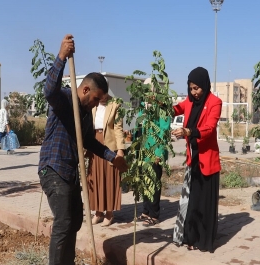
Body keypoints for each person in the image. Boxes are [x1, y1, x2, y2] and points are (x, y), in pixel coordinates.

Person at [38, 34, 128, 265]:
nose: (97, 104)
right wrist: (61, 57)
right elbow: (49, 91)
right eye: (97, 99)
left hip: (69, 173)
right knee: (64, 221)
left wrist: (112, 157)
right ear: (86, 89)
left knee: (76, 220)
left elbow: (89, 141)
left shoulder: (86, 114)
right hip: (53, 169)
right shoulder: (65, 99)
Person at [172, 67, 222, 252]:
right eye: (191, 88)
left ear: (205, 85)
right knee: (192, 201)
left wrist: (189, 131)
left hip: (207, 160)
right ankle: (190, 238)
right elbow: (175, 109)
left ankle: (204, 241)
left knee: (205, 203)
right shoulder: (189, 102)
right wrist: (160, 104)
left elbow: (209, 129)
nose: (194, 92)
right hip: (193, 159)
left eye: (197, 88)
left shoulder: (215, 102)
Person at [87, 93, 125, 227]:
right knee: (95, 178)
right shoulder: (92, 104)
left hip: (109, 146)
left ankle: (109, 213)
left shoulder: (115, 105)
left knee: (108, 179)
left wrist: (120, 149)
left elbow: (118, 129)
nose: (100, 96)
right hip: (93, 144)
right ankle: (98, 212)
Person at [134, 92, 171, 227]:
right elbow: (139, 127)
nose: (149, 95)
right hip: (142, 152)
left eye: (151, 91)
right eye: (147, 91)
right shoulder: (143, 107)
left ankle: (154, 215)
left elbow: (164, 131)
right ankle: (146, 211)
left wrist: (159, 153)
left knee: (153, 183)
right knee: (144, 182)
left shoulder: (162, 109)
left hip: (154, 152)